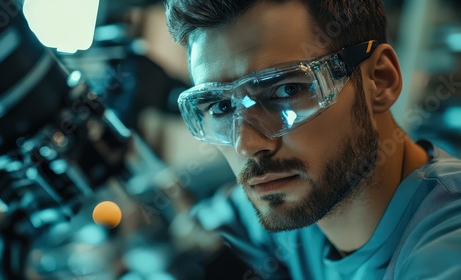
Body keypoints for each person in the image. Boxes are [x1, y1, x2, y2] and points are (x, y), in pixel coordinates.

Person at [163, 0, 461, 279]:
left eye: (286, 90)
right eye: (221, 107)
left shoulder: (447, 248)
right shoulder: (295, 195)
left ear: (380, 80)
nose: (246, 144)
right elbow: (186, 230)